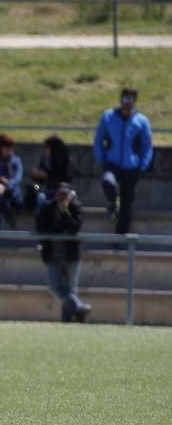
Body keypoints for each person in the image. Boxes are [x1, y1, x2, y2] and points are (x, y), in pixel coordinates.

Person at [93, 87, 153, 235]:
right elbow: (99, 139)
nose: (128, 102)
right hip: (112, 163)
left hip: (131, 167)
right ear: (121, 99)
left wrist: (143, 164)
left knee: (127, 206)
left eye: (132, 99)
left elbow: (147, 145)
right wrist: (101, 158)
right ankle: (113, 202)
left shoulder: (141, 121)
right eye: (126, 98)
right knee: (107, 182)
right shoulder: (108, 116)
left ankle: (120, 239)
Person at [36, 184, 91, 323]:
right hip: (53, 255)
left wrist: (65, 212)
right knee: (55, 287)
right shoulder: (47, 208)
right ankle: (79, 308)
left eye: (65, 195)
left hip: (71, 255)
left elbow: (75, 227)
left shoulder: (76, 207)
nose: (62, 198)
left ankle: (67, 319)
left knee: (71, 289)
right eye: (60, 194)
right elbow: (41, 227)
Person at [30, 135, 74, 212]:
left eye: (47, 148)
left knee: (43, 198)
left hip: (61, 191)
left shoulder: (66, 161)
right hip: (44, 189)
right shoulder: (45, 160)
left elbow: (65, 181)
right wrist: (35, 175)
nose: (44, 150)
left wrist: (46, 176)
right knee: (34, 187)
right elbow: (39, 182)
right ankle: (40, 221)